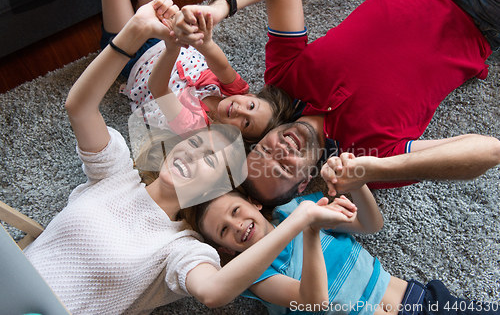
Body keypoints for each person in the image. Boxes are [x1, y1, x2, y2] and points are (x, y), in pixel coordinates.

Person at [22, 0, 361, 315]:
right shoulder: (117, 173)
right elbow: (79, 108)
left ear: (213, 189)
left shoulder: (182, 248)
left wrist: (302, 221)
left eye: (211, 162)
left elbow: (214, 293)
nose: (193, 156)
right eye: (196, 146)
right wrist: (135, 31)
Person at [172, 0, 500, 205]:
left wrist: (216, 10)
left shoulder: (283, 80)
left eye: (263, 152)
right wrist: (373, 171)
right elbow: (488, 151)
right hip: (479, 16)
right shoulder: (371, 157)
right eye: (284, 168)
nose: (280, 150)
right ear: (304, 183)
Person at [182, 163, 499, 315]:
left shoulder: (299, 207)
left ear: (254, 203)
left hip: (420, 302)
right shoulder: (256, 276)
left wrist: (357, 183)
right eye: (224, 230)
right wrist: (309, 231)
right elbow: (314, 302)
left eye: (235, 211)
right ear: (224, 248)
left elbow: (370, 224)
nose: (237, 225)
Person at [99, 0, 293, 144]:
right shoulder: (236, 91)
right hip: (167, 34)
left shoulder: (197, 129)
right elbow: (221, 65)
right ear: (250, 96)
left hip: (133, 59)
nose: (240, 111)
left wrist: (172, 47)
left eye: (246, 124)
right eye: (251, 106)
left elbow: (157, 88)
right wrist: (205, 42)